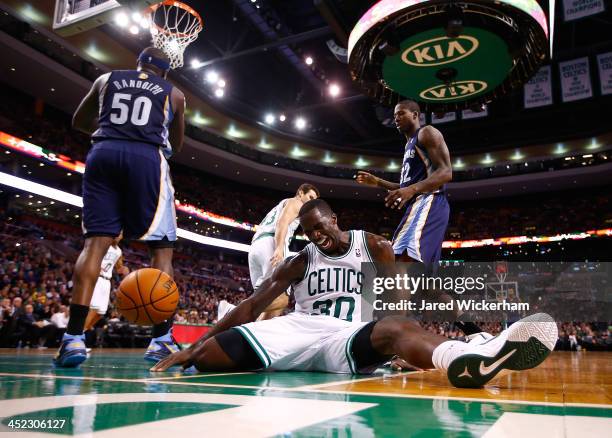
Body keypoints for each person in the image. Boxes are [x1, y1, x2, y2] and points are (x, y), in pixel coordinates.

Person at [151, 200, 558, 390]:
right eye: (309, 232)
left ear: (334, 219)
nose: (317, 235)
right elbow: (253, 304)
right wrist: (198, 342)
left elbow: (395, 305)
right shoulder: (300, 259)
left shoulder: (375, 247)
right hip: (297, 330)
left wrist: (400, 346)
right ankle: (471, 347)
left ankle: (468, 357)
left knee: (395, 325)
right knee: (207, 360)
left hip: (345, 337)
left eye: (321, 227)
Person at [54, 46, 185, 367]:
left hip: (103, 152)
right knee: (161, 249)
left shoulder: (106, 79)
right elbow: (176, 145)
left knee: (95, 245)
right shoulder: (175, 93)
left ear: (138, 63)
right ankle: (161, 339)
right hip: (146, 158)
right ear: (165, 72)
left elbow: (80, 121)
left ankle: (72, 339)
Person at [217, 183, 319, 321]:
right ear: (301, 193)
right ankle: (231, 311)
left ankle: (252, 333)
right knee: (282, 298)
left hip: (256, 247)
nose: (311, 201)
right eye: (310, 197)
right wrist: (278, 247)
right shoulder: (296, 203)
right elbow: (282, 223)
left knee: (268, 301)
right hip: (270, 244)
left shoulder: (282, 205)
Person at [83, 234, 128, 331]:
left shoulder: (118, 251)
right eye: (116, 234)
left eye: (120, 235)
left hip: (107, 281)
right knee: (93, 309)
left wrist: (123, 269)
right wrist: (94, 266)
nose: (117, 236)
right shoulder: (103, 245)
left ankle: (83, 331)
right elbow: (90, 254)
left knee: (100, 312)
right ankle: (77, 335)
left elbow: (119, 267)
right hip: (97, 278)